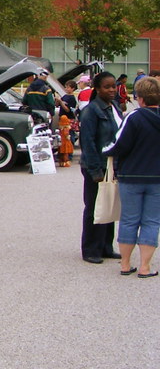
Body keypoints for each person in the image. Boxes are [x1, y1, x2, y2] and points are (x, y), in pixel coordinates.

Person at [104, 76, 160, 277]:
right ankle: (145, 266)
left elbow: (118, 145)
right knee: (152, 221)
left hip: (131, 175)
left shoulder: (133, 118)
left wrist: (103, 151)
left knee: (129, 220)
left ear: (140, 98)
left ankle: (125, 264)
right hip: (157, 178)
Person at [79, 71, 123, 264]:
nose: (112, 90)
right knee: (94, 208)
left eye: (113, 86)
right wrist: (95, 170)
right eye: (107, 86)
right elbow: (87, 142)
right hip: (95, 166)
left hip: (112, 165)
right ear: (97, 89)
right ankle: (90, 249)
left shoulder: (113, 106)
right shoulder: (91, 111)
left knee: (109, 205)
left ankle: (106, 246)